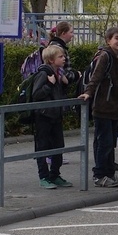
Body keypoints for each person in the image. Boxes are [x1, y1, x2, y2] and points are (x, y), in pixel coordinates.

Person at [79, 27, 118, 188]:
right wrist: (88, 92)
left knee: (110, 142)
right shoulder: (105, 56)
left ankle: (110, 173)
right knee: (104, 142)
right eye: (117, 38)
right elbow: (96, 77)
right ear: (108, 40)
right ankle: (100, 175)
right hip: (103, 106)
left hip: (115, 106)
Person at [29, 44, 72, 189]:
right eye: (60, 56)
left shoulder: (58, 73)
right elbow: (37, 94)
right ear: (52, 60)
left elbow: (58, 93)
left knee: (59, 146)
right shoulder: (44, 73)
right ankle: (44, 176)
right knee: (43, 147)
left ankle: (55, 174)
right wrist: (49, 84)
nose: (64, 58)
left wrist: (64, 84)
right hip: (44, 116)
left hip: (56, 114)